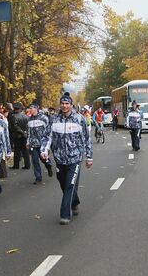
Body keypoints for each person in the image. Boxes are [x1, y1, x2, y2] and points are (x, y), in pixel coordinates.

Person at [41, 92, 92, 225]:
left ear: (71, 105)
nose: (64, 106)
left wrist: (89, 157)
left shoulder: (79, 119)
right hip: (59, 158)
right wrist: (44, 150)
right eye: (62, 103)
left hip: (74, 158)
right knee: (64, 184)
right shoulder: (54, 119)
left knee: (69, 184)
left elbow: (86, 139)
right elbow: (48, 136)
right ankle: (74, 202)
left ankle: (65, 214)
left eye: (67, 103)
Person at [26, 101, 53, 185]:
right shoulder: (29, 119)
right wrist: (28, 142)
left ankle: (48, 165)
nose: (30, 110)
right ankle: (38, 177)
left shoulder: (44, 118)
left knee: (43, 159)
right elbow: (29, 132)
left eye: (31, 108)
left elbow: (48, 131)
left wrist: (47, 143)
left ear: (36, 108)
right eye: (29, 108)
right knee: (34, 161)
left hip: (42, 144)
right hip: (33, 144)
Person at [10, 102, 31, 170]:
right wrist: (25, 133)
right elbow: (28, 126)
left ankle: (16, 165)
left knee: (17, 151)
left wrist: (21, 132)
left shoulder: (14, 117)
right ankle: (27, 165)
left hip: (17, 136)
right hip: (24, 136)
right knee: (25, 151)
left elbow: (15, 127)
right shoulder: (26, 116)